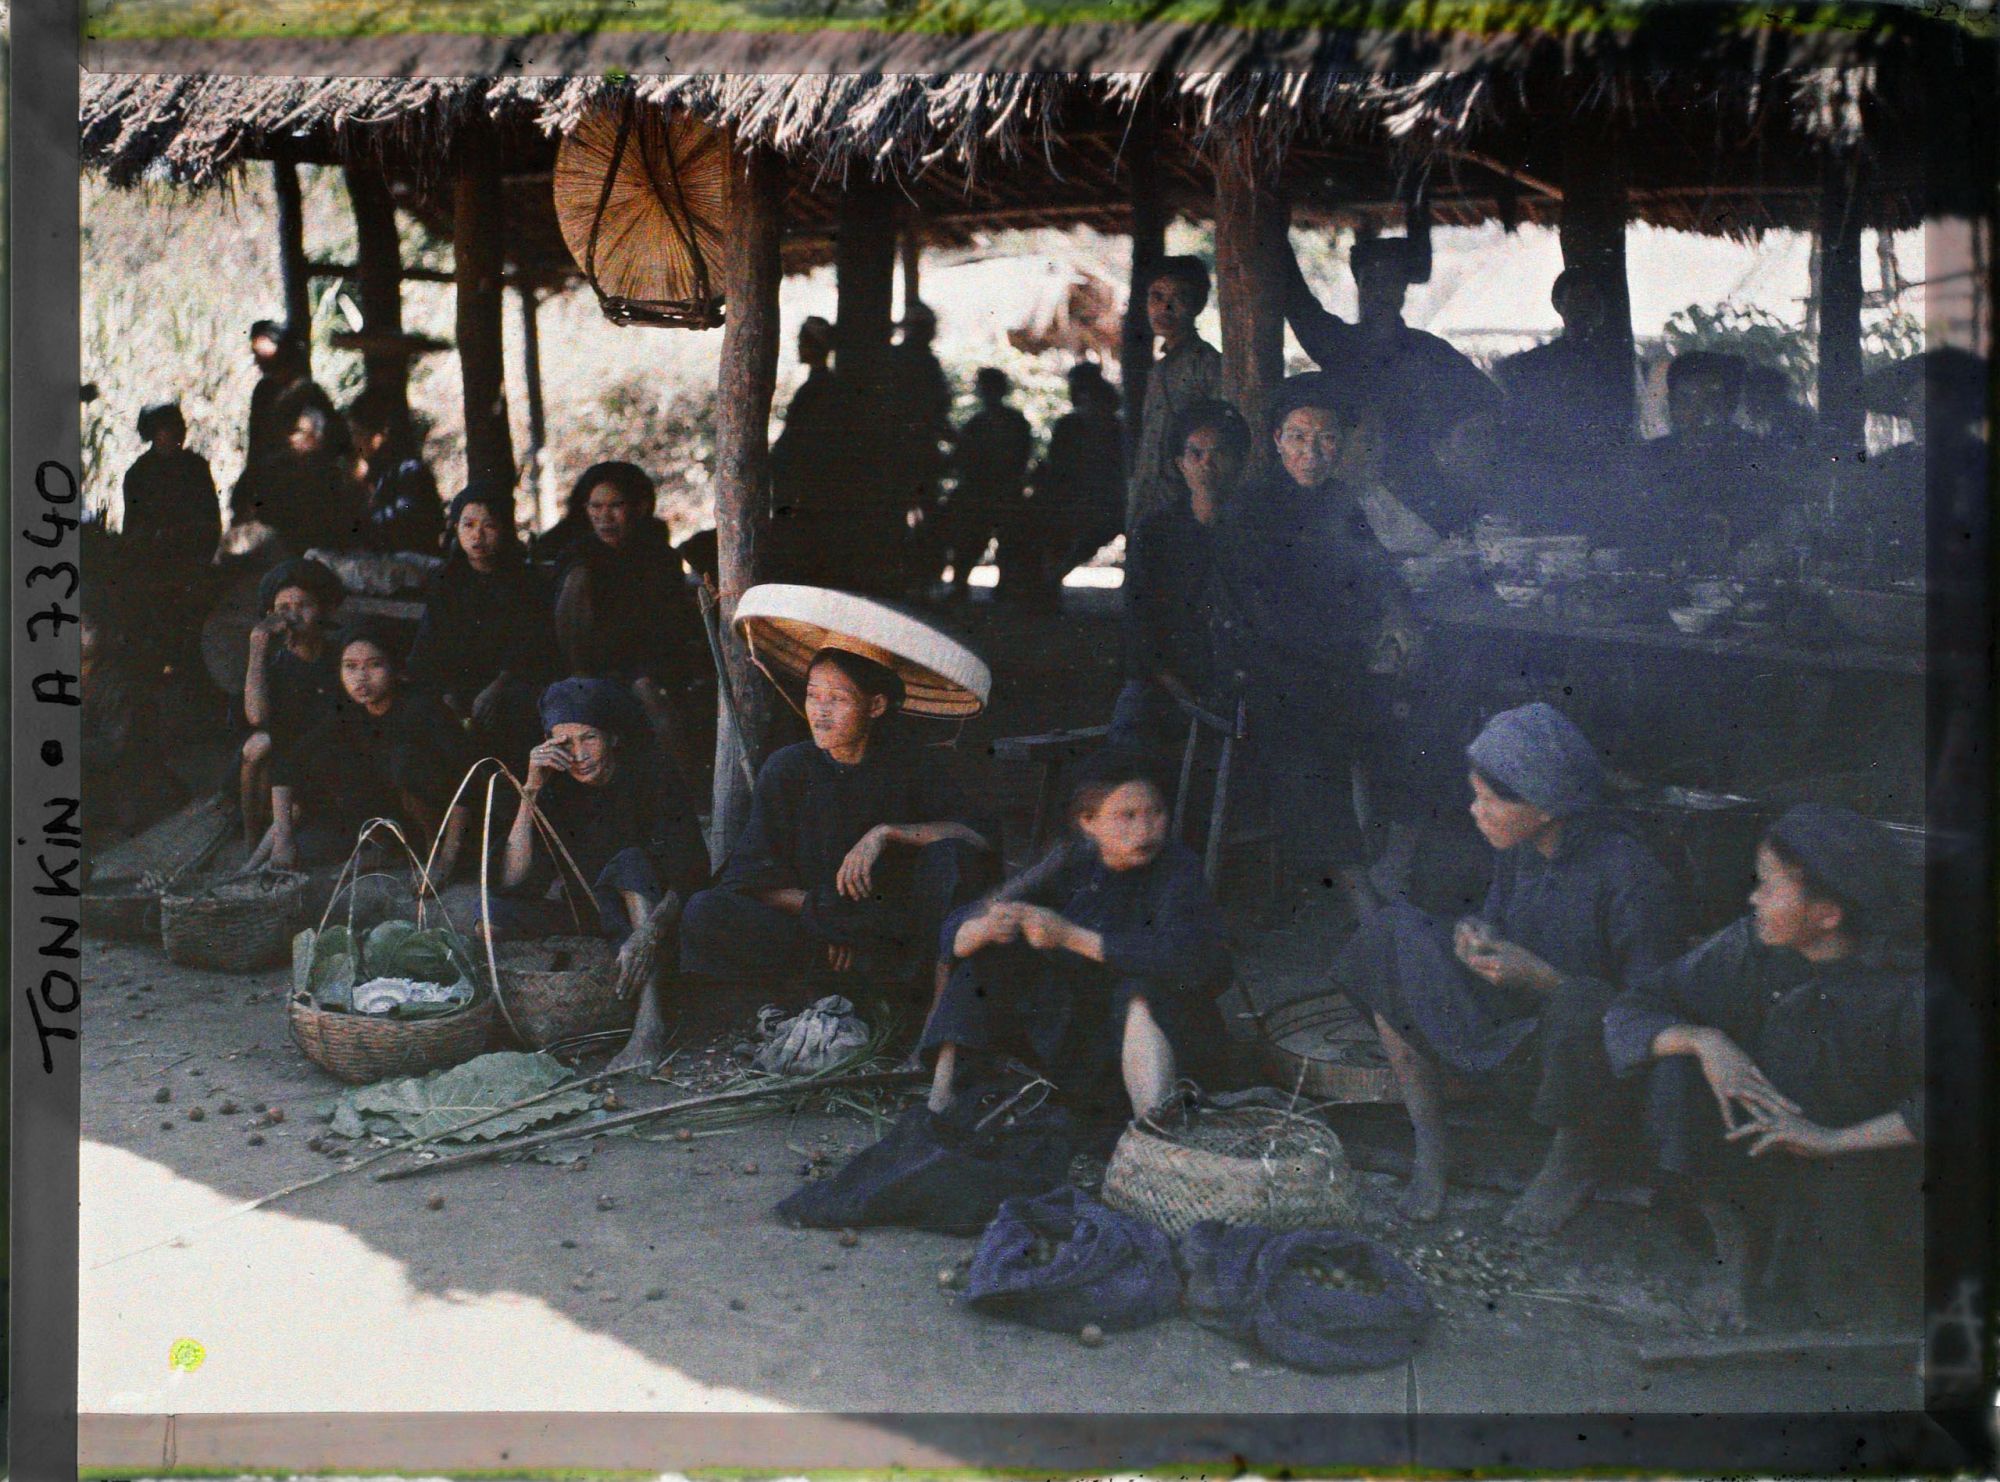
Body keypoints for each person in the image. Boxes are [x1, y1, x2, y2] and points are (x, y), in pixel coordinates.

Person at [1333, 703, 1683, 1229]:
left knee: (1581, 1004)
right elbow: (1497, 919)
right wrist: (1479, 935)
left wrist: (1542, 979)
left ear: (1545, 806)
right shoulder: (1522, 847)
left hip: (1581, 1064)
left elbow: (1650, 1011)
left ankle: (1573, 1161)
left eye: (1489, 800)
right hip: (1514, 1032)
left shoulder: (1628, 876)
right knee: (1393, 935)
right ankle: (1431, 1145)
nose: (1476, 811)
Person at [1603, 804, 1922, 1331]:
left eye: (1769, 887)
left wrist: (1830, 1140)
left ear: (1827, 915)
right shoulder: (1750, 947)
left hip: (1861, 1161)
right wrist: (1705, 1041)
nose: (1752, 899)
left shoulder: (1910, 988)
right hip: (1761, 1150)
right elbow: (1637, 1006)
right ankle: (1732, 1248)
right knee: (1677, 1057)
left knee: (1844, 1308)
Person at [922, 747, 1231, 1125]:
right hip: (1079, 1039)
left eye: (1155, 813)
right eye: (1127, 816)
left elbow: (1195, 959)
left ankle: (1155, 1133)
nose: (1145, 829)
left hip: (1154, 1043)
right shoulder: (1068, 861)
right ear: (1088, 822)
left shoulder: (1177, 870)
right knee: (987, 958)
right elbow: (958, 927)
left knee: (1141, 992)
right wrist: (983, 928)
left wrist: (1071, 936)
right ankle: (940, 1105)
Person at [679, 647, 997, 995]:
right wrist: (827, 920)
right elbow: (750, 879)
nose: (820, 713)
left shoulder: (910, 766)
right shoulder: (789, 768)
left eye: (838, 699)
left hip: (888, 931)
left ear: (875, 706)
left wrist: (887, 833)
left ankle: (919, 999)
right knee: (705, 911)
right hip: (815, 930)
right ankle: (826, 994)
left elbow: (975, 837)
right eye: (813, 696)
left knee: (951, 860)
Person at [1206, 376, 1419, 883]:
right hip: (1267, 667)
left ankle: (1392, 861)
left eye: (1326, 439)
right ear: (1277, 440)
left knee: (1417, 717)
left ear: (1340, 445)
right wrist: (1359, 648)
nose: (1312, 453)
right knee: (1313, 734)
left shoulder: (1342, 501)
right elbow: (1267, 616)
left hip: (1337, 663)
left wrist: (1396, 622)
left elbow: (1381, 574)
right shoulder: (1251, 510)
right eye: (1299, 437)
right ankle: (1357, 892)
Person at [493, 677, 712, 1074]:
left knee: (629, 862)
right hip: (589, 915)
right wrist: (531, 790)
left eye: (589, 738)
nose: (578, 755)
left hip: (654, 916)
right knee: (486, 914)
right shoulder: (554, 784)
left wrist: (648, 935)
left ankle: (649, 1023)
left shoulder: (652, 773)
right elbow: (514, 881)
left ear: (612, 736)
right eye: (564, 743)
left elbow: (691, 873)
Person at [1278, 231, 1500, 496]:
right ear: (1360, 286)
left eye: (1391, 282)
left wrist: (1454, 451)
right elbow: (1297, 301)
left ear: (1403, 290)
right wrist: (1274, 233)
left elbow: (1489, 407)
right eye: (1372, 281)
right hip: (1351, 490)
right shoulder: (1339, 344)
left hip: (1424, 489)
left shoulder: (1433, 352)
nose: (1381, 292)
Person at [253, 618, 472, 878]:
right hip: (394, 812)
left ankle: (431, 854)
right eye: (350, 667)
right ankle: (387, 849)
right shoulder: (347, 708)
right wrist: (284, 841)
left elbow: (467, 782)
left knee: (405, 762)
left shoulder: (422, 708)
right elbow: (290, 757)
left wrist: (445, 860)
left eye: (375, 665)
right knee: (324, 756)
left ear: (396, 668)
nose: (361, 678)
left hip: (445, 819)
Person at [551, 461, 709, 787]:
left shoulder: (659, 557)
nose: (604, 517)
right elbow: (569, 630)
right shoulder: (578, 559)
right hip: (588, 668)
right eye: (596, 506)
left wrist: (644, 672)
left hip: (651, 665)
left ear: (637, 508)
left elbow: (671, 627)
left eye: (615, 506)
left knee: (651, 694)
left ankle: (690, 798)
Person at [1109, 399, 1248, 749]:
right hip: (1167, 681)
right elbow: (1140, 621)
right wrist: (1176, 688)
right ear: (1180, 464)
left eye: (1219, 453)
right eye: (1196, 454)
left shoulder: (1256, 531)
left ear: (1238, 463)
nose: (1207, 464)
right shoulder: (1156, 532)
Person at [405, 483, 560, 763]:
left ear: (504, 529)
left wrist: (498, 687)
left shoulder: (526, 581)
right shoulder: (446, 581)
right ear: (456, 529)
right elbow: (430, 647)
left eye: (488, 525)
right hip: (458, 686)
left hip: (512, 683)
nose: (478, 535)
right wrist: (448, 695)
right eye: (468, 525)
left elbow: (534, 646)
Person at [1620, 350, 1785, 571]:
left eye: (1710, 401)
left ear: (1730, 405)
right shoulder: (1650, 458)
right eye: (1686, 400)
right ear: (1671, 404)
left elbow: (1770, 530)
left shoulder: (1756, 456)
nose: (1697, 413)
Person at [239, 557, 346, 849]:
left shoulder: (340, 656)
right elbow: (257, 717)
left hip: (326, 751)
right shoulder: (271, 663)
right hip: (285, 755)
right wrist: (257, 649)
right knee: (256, 749)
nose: (293, 616)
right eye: (284, 609)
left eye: (304, 606)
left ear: (323, 610)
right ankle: (252, 841)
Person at [120, 400, 221, 676]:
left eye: (180, 426)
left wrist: (196, 546)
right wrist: (156, 540)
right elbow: (132, 530)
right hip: (155, 566)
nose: (178, 434)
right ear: (154, 432)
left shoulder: (196, 467)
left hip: (193, 561)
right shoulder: (138, 474)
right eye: (169, 428)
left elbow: (212, 521)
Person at [81, 597, 186, 852]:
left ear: (105, 632)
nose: (78, 635)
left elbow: (113, 750)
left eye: (87, 627)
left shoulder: (119, 683)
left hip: (120, 789)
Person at [1126, 256, 1222, 530]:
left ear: (1198, 305)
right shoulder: (1160, 368)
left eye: (1178, 297)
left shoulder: (1206, 364)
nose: (1164, 307)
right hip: (1150, 500)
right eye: (1156, 296)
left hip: (1184, 504)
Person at [1492, 266, 1633, 450]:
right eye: (1578, 300)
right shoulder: (1535, 365)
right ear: (1559, 305)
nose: (1585, 309)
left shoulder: (1616, 364)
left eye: (1591, 300)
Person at [1027, 361, 1127, 605]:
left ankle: (1050, 581)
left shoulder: (1078, 425)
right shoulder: (1109, 424)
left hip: (1091, 498)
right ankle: (1049, 582)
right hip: (1090, 496)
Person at [940, 368, 1035, 600]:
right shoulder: (998, 421)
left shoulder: (986, 422)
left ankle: (974, 585)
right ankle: (966, 585)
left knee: (984, 541)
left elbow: (964, 457)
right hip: (992, 490)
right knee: (974, 541)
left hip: (991, 490)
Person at [768, 315, 850, 583]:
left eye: (804, 341)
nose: (799, 347)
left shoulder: (819, 388)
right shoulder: (820, 386)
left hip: (806, 485)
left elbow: (803, 441)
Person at [232, 323, 335, 527]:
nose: (259, 360)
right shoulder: (263, 392)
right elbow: (256, 446)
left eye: (264, 352)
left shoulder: (311, 392)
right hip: (271, 478)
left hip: (306, 481)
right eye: (256, 354)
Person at [347, 387, 443, 555]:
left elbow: (401, 523)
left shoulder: (410, 471)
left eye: (357, 433)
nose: (353, 441)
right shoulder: (374, 471)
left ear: (379, 436)